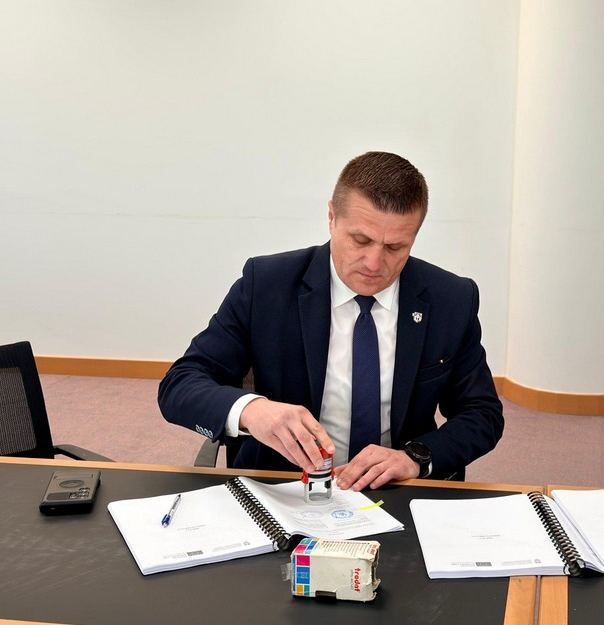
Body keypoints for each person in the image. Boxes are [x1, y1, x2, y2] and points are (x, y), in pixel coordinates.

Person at [158, 151, 503, 490]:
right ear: (332, 217)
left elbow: (482, 413)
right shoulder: (266, 284)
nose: (373, 263)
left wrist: (415, 457)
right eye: (360, 240)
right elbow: (180, 384)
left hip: (397, 489)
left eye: (395, 247)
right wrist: (253, 411)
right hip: (284, 485)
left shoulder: (451, 299)